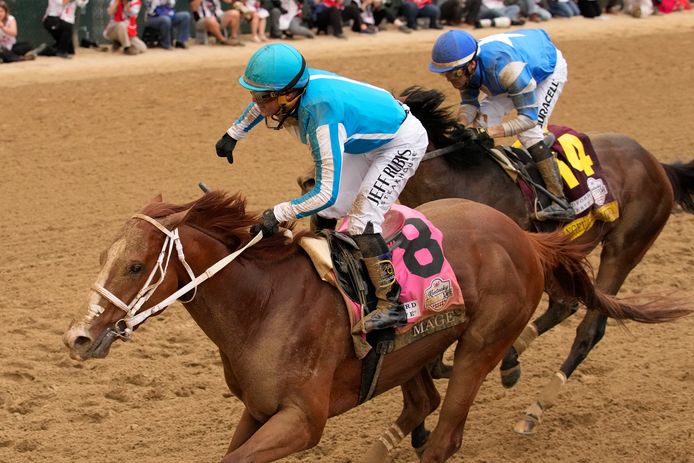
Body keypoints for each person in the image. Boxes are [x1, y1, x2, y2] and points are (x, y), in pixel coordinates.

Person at [214, 44, 429, 333]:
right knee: (330, 209)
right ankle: (327, 273)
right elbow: (264, 101)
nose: (256, 102)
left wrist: (277, 213)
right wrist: (234, 133)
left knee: (363, 220)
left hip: (399, 143)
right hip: (360, 139)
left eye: (263, 97)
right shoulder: (294, 84)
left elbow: (324, 191)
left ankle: (391, 305)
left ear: (290, 95)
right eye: (253, 93)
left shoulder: (321, 115)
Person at [428, 29, 575, 221]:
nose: (452, 80)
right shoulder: (465, 66)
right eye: (446, 75)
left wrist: (487, 133)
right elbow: (469, 104)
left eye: (455, 74)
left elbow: (528, 118)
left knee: (530, 134)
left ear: (471, 65)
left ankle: (560, 201)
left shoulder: (509, 70)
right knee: (481, 119)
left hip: (544, 73)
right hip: (505, 73)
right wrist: (462, 125)